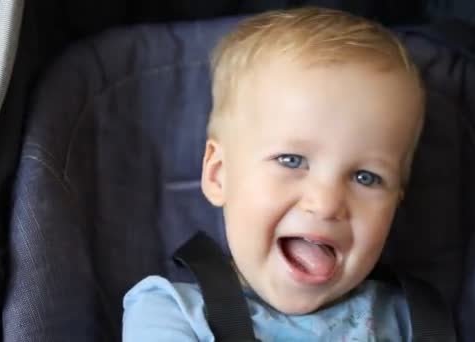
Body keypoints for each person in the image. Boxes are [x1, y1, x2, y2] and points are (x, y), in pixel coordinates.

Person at [123, 6, 425, 341]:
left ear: (397, 201)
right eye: (291, 160)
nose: (325, 204)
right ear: (219, 174)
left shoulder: (409, 320)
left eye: (366, 177)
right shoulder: (169, 313)